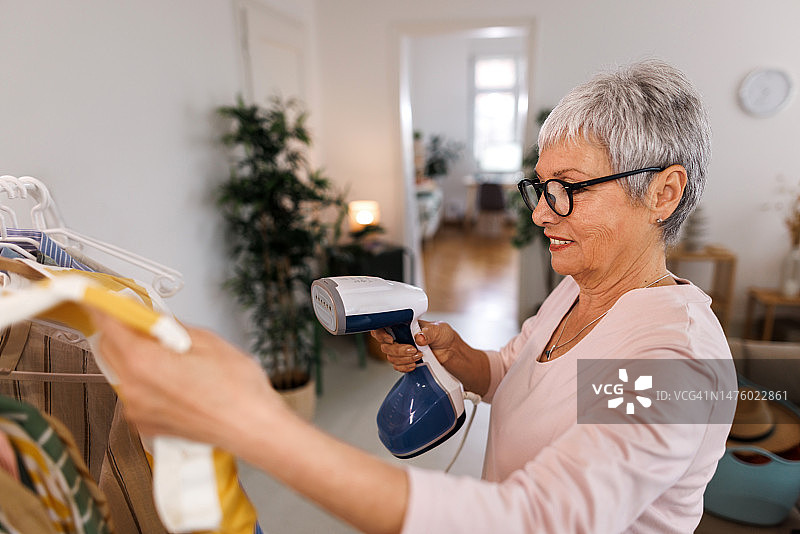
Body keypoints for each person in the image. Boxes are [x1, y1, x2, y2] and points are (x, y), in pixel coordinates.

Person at [90, 59, 735, 534]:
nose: (541, 214)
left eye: (568, 188)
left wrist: (255, 426)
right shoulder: (578, 288)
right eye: (539, 188)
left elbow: (539, 518)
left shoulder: (672, 361)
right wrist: (457, 356)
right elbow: (515, 372)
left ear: (663, 193)